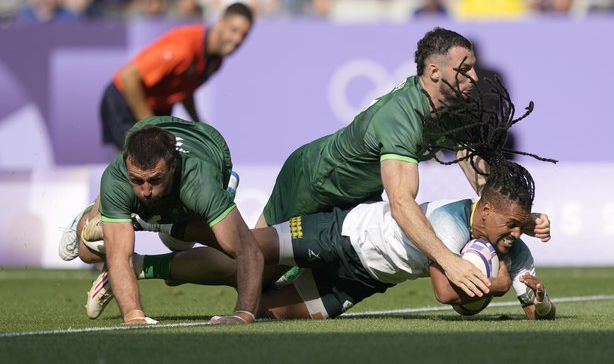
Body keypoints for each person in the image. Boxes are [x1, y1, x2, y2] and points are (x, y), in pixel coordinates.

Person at [85, 157, 555, 322]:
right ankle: (144, 238)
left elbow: (532, 306)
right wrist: (497, 287)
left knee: (268, 308)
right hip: (338, 233)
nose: (515, 235)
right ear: (485, 209)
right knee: (242, 255)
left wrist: (539, 299)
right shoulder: (453, 226)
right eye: (511, 225)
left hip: (359, 284)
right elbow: (446, 292)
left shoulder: (510, 245)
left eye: (522, 225)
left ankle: (136, 267)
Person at [257, 27, 492, 299]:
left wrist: (510, 213)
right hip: (313, 181)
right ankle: (199, 236)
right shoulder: (402, 115)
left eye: (474, 68)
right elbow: (402, 205)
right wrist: (450, 263)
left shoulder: (450, 107)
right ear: (434, 72)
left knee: (277, 281)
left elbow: (474, 166)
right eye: (464, 69)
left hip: (358, 196)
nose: (474, 77)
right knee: (247, 263)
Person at [60, 115, 264, 325]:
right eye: (137, 180)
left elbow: (248, 251)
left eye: (155, 180)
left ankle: (143, 224)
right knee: (87, 252)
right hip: (149, 132)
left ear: (173, 166)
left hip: (206, 145)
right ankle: (96, 209)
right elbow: (120, 256)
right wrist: (134, 316)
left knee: (220, 254)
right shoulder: (117, 176)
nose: (146, 191)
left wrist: (243, 315)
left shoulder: (199, 183)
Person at [100, 2, 253, 149]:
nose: (238, 39)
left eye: (244, 35)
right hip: (125, 99)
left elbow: (184, 88)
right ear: (220, 23)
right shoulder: (182, 49)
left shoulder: (216, 61)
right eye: (233, 30)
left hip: (158, 108)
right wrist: (151, 125)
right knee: (139, 165)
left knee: (164, 165)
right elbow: (128, 77)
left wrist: (197, 123)